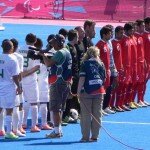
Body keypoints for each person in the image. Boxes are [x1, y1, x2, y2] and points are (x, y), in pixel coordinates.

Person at [41, 34, 72, 138]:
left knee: (55, 108)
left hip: (57, 83)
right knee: (60, 108)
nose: (52, 44)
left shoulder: (60, 53)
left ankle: (56, 131)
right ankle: (59, 130)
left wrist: (43, 55)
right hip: (65, 82)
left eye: (54, 42)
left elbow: (48, 63)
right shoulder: (67, 52)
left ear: (59, 43)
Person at [77, 46, 106, 142]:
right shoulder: (101, 63)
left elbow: (82, 78)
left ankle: (85, 137)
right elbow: (104, 78)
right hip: (99, 91)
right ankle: (95, 136)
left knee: (86, 115)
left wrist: (78, 91)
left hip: (87, 92)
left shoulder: (85, 64)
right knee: (97, 114)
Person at [18, 33, 40, 132]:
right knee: (34, 103)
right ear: (35, 41)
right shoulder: (35, 50)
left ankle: (22, 123)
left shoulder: (19, 49)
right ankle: (33, 126)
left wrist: (22, 74)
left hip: (20, 79)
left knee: (23, 102)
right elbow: (37, 67)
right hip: (30, 79)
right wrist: (26, 74)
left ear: (25, 40)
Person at [0, 39, 22, 139]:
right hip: (8, 87)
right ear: (11, 48)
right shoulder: (13, 59)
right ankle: (9, 132)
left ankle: (1, 129)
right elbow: (15, 76)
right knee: (9, 110)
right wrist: (19, 86)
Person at [34, 37, 53, 130]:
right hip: (43, 82)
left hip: (34, 80)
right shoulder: (46, 55)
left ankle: (35, 122)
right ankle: (44, 123)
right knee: (44, 103)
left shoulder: (31, 55)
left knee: (34, 102)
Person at [10, 38, 26, 137]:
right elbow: (19, 73)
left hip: (4, 84)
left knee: (4, 107)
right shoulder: (18, 57)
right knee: (18, 106)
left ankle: (3, 128)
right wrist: (19, 85)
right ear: (15, 47)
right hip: (15, 84)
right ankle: (17, 128)